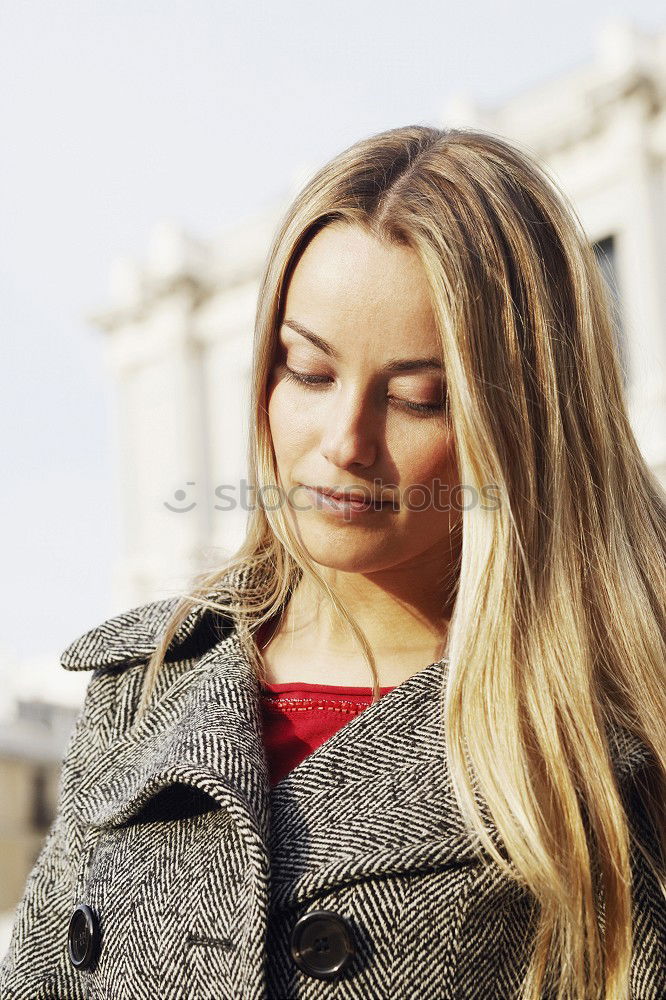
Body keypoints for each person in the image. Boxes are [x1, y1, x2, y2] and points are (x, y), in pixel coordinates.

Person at [1, 125, 664, 1000]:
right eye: (308, 372)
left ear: (525, 424)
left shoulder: (608, 734)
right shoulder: (144, 683)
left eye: (418, 399)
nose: (345, 443)